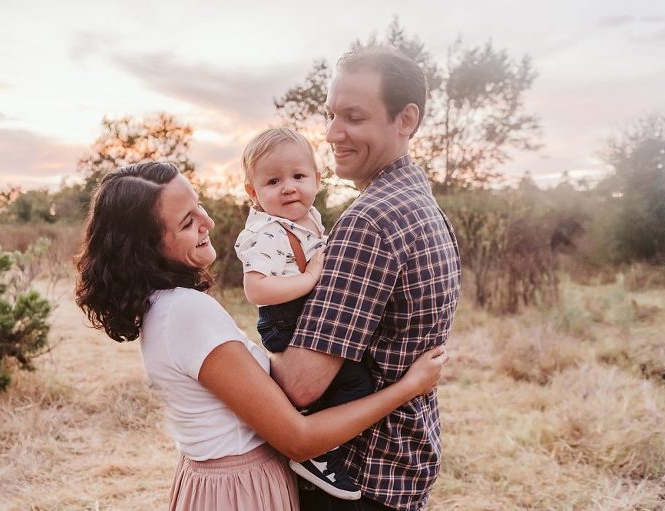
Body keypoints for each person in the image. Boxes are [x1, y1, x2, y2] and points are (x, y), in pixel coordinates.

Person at [74, 161, 449, 511]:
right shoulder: (186, 313)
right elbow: (298, 439)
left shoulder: (165, 307)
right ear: (146, 250)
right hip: (239, 491)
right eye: (187, 222)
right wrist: (408, 387)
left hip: (223, 483)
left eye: (199, 205)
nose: (207, 221)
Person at [271, 46, 462, 511]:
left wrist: (222, 356)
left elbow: (302, 385)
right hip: (404, 465)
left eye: (354, 117)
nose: (334, 133)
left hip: (357, 478)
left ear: (406, 120)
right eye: (332, 115)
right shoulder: (423, 205)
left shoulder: (370, 221)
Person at [235, 127, 373, 499]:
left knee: (354, 377)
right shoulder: (266, 232)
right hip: (284, 317)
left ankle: (319, 442)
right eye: (273, 181)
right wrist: (312, 278)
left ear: (317, 178)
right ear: (254, 193)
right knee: (356, 383)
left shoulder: (307, 216)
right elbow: (256, 289)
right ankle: (315, 449)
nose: (288, 187)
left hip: (301, 312)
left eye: (298, 176)